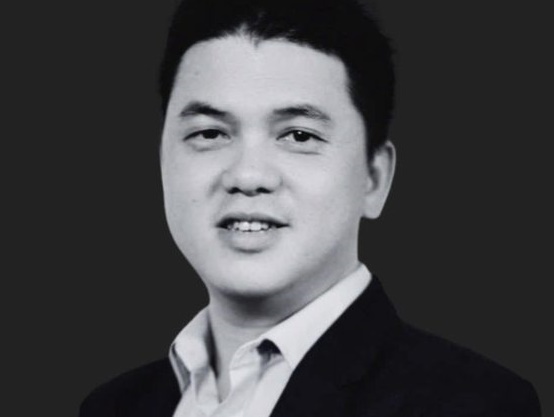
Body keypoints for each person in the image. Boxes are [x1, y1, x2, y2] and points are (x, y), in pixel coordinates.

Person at [80, 0, 541, 416]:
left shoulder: (475, 403)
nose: (248, 175)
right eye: (210, 133)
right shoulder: (113, 406)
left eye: (299, 135)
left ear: (374, 178)